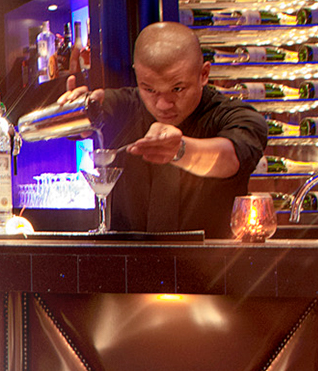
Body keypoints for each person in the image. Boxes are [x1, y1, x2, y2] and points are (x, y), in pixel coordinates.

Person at [58, 22, 267, 237]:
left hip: (210, 258)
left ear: (204, 74)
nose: (163, 104)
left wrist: (180, 150)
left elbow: (230, 158)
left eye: (177, 89)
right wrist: (74, 113)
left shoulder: (236, 116)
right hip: (127, 257)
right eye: (150, 89)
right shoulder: (125, 106)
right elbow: (90, 114)